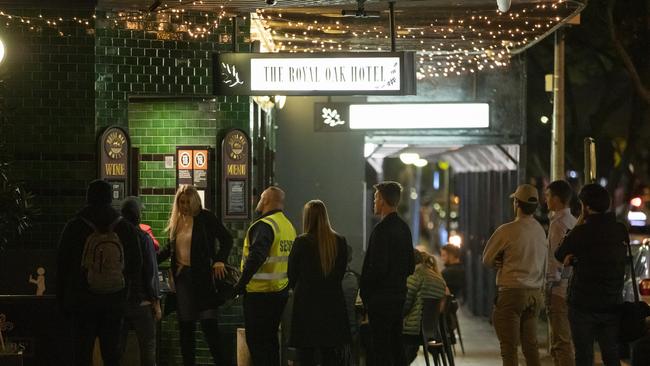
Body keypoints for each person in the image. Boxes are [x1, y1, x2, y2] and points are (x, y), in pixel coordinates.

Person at [56, 179, 142, 366]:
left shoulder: (75, 226)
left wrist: (63, 300)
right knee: (112, 355)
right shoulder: (124, 227)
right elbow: (136, 265)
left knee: (82, 355)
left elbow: (62, 265)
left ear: (89, 197)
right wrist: (129, 298)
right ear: (110, 197)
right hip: (114, 301)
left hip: (82, 302)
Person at [158, 185, 233, 366]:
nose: (184, 206)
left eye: (187, 202)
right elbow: (170, 249)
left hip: (204, 280)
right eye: (181, 202)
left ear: (195, 201)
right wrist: (151, 260)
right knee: (186, 328)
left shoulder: (206, 218)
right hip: (183, 279)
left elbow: (227, 239)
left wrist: (219, 260)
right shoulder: (177, 221)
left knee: (209, 327)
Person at [555, 184, 628, 366]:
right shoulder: (619, 230)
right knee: (611, 355)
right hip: (612, 304)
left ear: (586, 207)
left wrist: (579, 222)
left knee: (584, 356)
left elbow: (559, 253)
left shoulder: (582, 232)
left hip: (583, 306)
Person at [482, 183, 547, 366]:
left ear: (516, 204)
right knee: (531, 346)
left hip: (511, 293)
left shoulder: (507, 230)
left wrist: (500, 260)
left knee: (509, 348)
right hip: (535, 294)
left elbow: (487, 259)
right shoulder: (540, 232)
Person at [234, 186, 297, 366]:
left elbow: (256, 257)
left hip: (259, 295)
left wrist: (240, 284)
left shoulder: (265, 225)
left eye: (261, 197)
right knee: (270, 342)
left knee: (257, 344)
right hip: (279, 293)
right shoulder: (287, 226)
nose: (258, 201)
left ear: (267, 200)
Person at [288, 200, 351, 365]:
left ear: (307, 218)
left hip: (306, 307)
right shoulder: (340, 241)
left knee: (306, 356)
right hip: (333, 306)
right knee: (331, 356)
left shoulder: (301, 242)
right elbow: (340, 273)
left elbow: (291, 275)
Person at [360, 181, 415, 366]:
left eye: (376, 198)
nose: (374, 202)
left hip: (380, 300)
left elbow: (377, 268)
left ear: (382, 200)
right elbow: (410, 266)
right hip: (398, 297)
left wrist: (366, 292)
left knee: (380, 350)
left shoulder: (381, 231)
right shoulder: (404, 228)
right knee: (396, 346)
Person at [119, 197, 161, 366]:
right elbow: (151, 271)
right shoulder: (144, 237)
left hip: (119, 301)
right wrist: (156, 301)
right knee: (148, 349)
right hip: (142, 302)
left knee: (117, 350)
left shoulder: (114, 235)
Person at [544, 180, 576, 366]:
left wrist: (554, 283)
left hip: (558, 290)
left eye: (548, 196)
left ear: (556, 199)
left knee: (560, 342)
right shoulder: (572, 221)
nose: (546, 199)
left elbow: (558, 259)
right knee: (564, 340)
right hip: (569, 288)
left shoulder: (558, 224)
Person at [402, 250, 448, 364]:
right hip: (431, 331)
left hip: (413, 330)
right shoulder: (438, 278)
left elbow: (405, 306)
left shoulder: (415, 277)